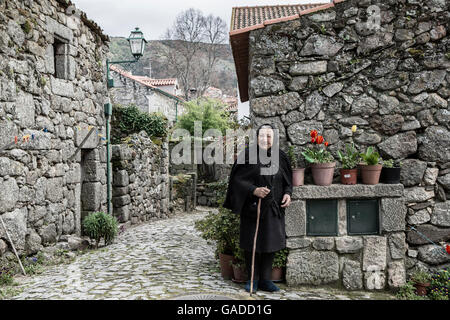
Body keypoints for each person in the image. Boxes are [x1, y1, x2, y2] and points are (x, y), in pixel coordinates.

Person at [223, 124, 293, 292]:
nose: (265, 139)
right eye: (262, 136)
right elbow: (237, 181)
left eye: (269, 136)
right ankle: (252, 279)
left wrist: (288, 193)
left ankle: (265, 280)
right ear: (257, 137)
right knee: (251, 244)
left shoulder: (280, 156)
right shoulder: (247, 156)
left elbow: (287, 180)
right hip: (253, 207)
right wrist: (254, 190)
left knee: (271, 243)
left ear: (274, 138)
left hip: (274, 208)